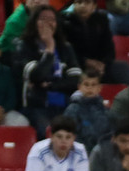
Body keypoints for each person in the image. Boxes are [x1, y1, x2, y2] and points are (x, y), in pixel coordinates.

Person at [12, 4, 82, 138]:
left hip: (65, 103)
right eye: (42, 19)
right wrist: (49, 48)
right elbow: (37, 76)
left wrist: (50, 85)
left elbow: (75, 80)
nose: (47, 23)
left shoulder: (65, 47)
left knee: (79, 133)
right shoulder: (23, 46)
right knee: (51, 135)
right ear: (34, 22)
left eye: (52, 19)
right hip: (37, 105)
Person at [60, 0, 129, 86]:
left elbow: (109, 48)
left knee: (122, 67)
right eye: (79, 2)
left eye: (87, 3)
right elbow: (65, 51)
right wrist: (86, 62)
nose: (82, 6)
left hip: (100, 66)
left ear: (94, 6)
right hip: (76, 65)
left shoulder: (101, 19)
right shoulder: (64, 22)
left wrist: (102, 64)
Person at [63, 67, 113, 155]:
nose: (90, 88)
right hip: (79, 155)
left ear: (99, 88)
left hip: (103, 155)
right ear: (79, 87)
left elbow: (111, 135)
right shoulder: (72, 110)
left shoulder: (106, 111)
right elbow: (69, 136)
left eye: (93, 85)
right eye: (86, 84)